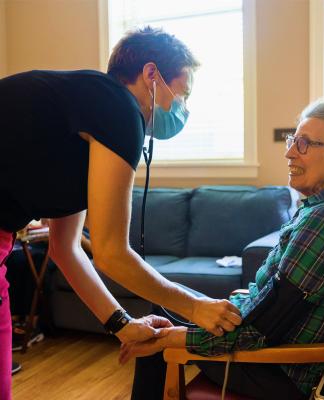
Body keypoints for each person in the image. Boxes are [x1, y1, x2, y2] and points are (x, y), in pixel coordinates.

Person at [0, 27, 241, 399]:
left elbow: (66, 249)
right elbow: (112, 252)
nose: (183, 107)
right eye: (183, 92)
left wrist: (122, 325)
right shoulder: (118, 107)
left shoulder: (87, 113)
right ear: (151, 75)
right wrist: (196, 307)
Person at [121, 98, 324, 400]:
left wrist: (172, 338)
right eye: (292, 140)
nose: (289, 152)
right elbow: (272, 308)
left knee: (159, 338)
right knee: (168, 305)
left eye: (304, 144)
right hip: (281, 351)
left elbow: (261, 330)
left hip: (282, 372)